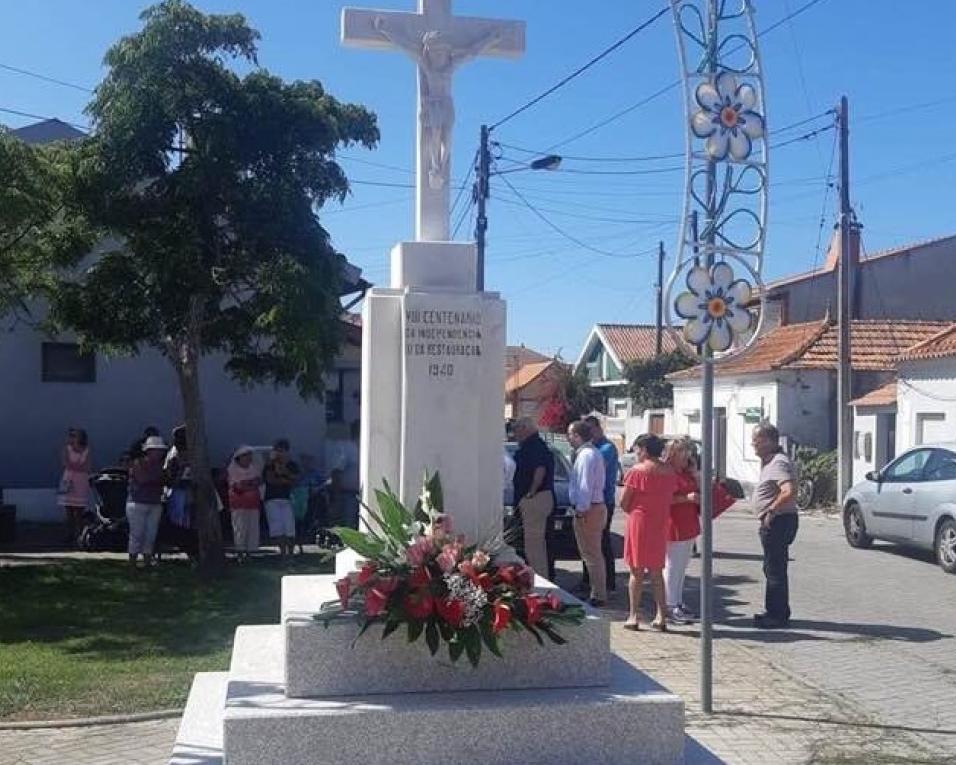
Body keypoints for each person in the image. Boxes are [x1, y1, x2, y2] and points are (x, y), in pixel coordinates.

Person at [620, 433, 678, 631]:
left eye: (637, 449)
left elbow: (624, 502)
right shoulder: (669, 471)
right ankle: (661, 615)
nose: (635, 453)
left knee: (636, 571)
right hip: (659, 522)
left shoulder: (637, 471)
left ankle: (633, 615)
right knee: (656, 571)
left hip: (639, 520)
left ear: (644, 449)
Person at [751, 422, 799, 629]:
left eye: (757, 441)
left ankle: (777, 615)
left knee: (775, 569)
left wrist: (771, 511)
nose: (753, 445)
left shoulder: (778, 463)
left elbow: (788, 490)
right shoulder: (771, 462)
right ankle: (775, 610)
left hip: (779, 521)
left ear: (770, 441)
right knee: (772, 567)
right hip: (777, 521)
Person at [566, 420, 608, 607]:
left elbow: (584, 486)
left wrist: (581, 511)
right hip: (595, 507)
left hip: (589, 509)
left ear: (577, 435)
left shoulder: (585, 456)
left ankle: (598, 594)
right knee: (593, 554)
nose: (568, 438)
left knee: (591, 554)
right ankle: (597, 591)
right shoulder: (592, 453)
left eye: (570, 434)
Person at [663, 437, 701, 624]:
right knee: (673, 565)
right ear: (673, 454)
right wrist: (687, 498)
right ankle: (669, 605)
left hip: (688, 522)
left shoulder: (686, 472)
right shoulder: (668, 473)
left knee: (682, 566)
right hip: (674, 523)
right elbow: (666, 499)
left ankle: (677, 601)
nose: (687, 455)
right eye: (683, 451)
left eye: (688, 451)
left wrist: (695, 473)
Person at [512, 417, 555, 578]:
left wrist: (531, 492)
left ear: (525, 429)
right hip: (538, 498)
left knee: (533, 547)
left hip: (535, 499)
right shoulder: (532, 445)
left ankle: (540, 583)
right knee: (537, 545)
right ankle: (541, 578)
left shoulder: (534, 446)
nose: (514, 433)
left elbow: (540, 469)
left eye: (516, 429)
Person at [582, 415, 620, 593]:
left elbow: (596, 470)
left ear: (597, 429)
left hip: (603, 501)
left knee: (602, 542)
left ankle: (608, 581)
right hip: (590, 501)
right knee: (587, 543)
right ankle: (588, 579)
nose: (587, 434)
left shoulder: (606, 448)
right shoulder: (590, 448)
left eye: (588, 430)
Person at [126, 435, 168, 567]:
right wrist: (157, 480)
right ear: (148, 451)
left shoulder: (161, 466)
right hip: (137, 502)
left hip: (155, 502)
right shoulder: (138, 463)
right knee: (137, 533)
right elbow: (143, 479)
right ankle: (132, 561)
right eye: (156, 450)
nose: (159, 453)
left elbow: (165, 480)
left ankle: (147, 561)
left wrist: (157, 480)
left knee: (151, 534)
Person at [163, 425, 197, 560]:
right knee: (177, 517)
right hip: (176, 490)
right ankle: (179, 543)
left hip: (186, 489)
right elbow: (170, 475)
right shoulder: (174, 454)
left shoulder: (187, 452)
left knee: (186, 516)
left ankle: (186, 543)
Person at [264, 438, 300, 558]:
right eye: (278, 450)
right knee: (277, 527)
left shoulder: (291, 465)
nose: (280, 453)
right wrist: (285, 480)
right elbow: (270, 480)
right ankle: (282, 553)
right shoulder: (269, 465)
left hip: (287, 499)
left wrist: (284, 472)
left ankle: (290, 553)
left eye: (283, 451)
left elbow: (296, 480)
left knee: (289, 527)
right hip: (272, 499)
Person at [228, 446, 262, 563]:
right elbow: (238, 487)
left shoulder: (253, 469)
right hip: (238, 505)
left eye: (249, 456)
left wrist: (249, 484)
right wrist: (250, 484)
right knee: (240, 529)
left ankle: (250, 553)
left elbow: (258, 481)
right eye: (245, 456)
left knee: (252, 529)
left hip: (253, 504)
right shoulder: (233, 470)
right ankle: (240, 553)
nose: (248, 458)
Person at [58, 428, 91, 545]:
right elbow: (65, 463)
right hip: (68, 480)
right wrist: (77, 466)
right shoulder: (67, 449)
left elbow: (87, 466)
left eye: (74, 435)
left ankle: (80, 534)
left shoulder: (86, 450)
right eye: (71, 435)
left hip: (80, 481)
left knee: (79, 511)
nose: (72, 438)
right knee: (68, 510)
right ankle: (69, 534)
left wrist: (75, 466)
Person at [327, 421, 360, 529]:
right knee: (349, 526)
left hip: (364, 494)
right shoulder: (347, 449)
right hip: (348, 495)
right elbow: (336, 471)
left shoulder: (369, 448)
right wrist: (337, 495)